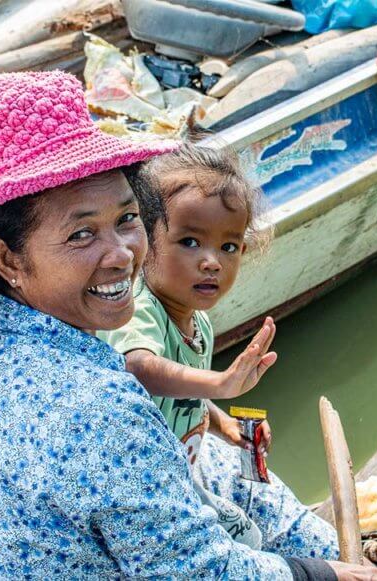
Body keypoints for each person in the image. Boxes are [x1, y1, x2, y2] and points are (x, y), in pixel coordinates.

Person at [0, 71, 377, 579]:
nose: (122, 254)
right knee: (249, 495)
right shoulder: (100, 409)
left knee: (222, 463)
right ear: (7, 259)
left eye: (126, 218)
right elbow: (195, 573)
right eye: (81, 234)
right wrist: (324, 576)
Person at [99, 144, 333, 552]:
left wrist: (222, 423)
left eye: (228, 247)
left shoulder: (198, 320)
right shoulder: (140, 309)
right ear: (145, 240)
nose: (212, 262)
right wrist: (220, 382)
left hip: (181, 467)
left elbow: (179, 389)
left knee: (246, 531)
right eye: (190, 242)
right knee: (244, 539)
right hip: (143, 481)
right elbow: (138, 368)